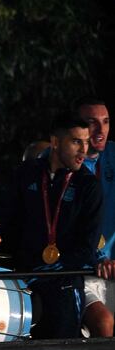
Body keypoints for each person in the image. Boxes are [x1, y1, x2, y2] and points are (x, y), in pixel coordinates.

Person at [0, 113, 105, 339]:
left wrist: (49, 271)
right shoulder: (25, 173)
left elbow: (87, 247)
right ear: (55, 142)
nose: (84, 150)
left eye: (86, 142)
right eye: (76, 142)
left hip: (64, 287)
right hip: (23, 285)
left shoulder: (88, 186)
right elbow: (3, 218)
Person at [75, 97, 115, 337]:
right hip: (81, 271)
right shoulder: (63, 161)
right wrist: (97, 256)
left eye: (106, 122)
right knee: (103, 324)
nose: (101, 130)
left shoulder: (112, 154)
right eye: (92, 122)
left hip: (112, 268)